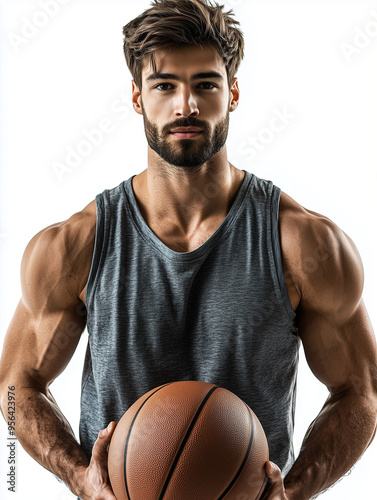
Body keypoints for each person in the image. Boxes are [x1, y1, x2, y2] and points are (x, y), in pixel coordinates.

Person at [0, 0, 376, 498]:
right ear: (137, 97)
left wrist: (295, 491)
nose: (186, 106)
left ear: (233, 93)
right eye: (164, 86)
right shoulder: (76, 245)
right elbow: (15, 386)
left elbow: (361, 393)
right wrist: (78, 477)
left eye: (205, 84)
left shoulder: (304, 243)